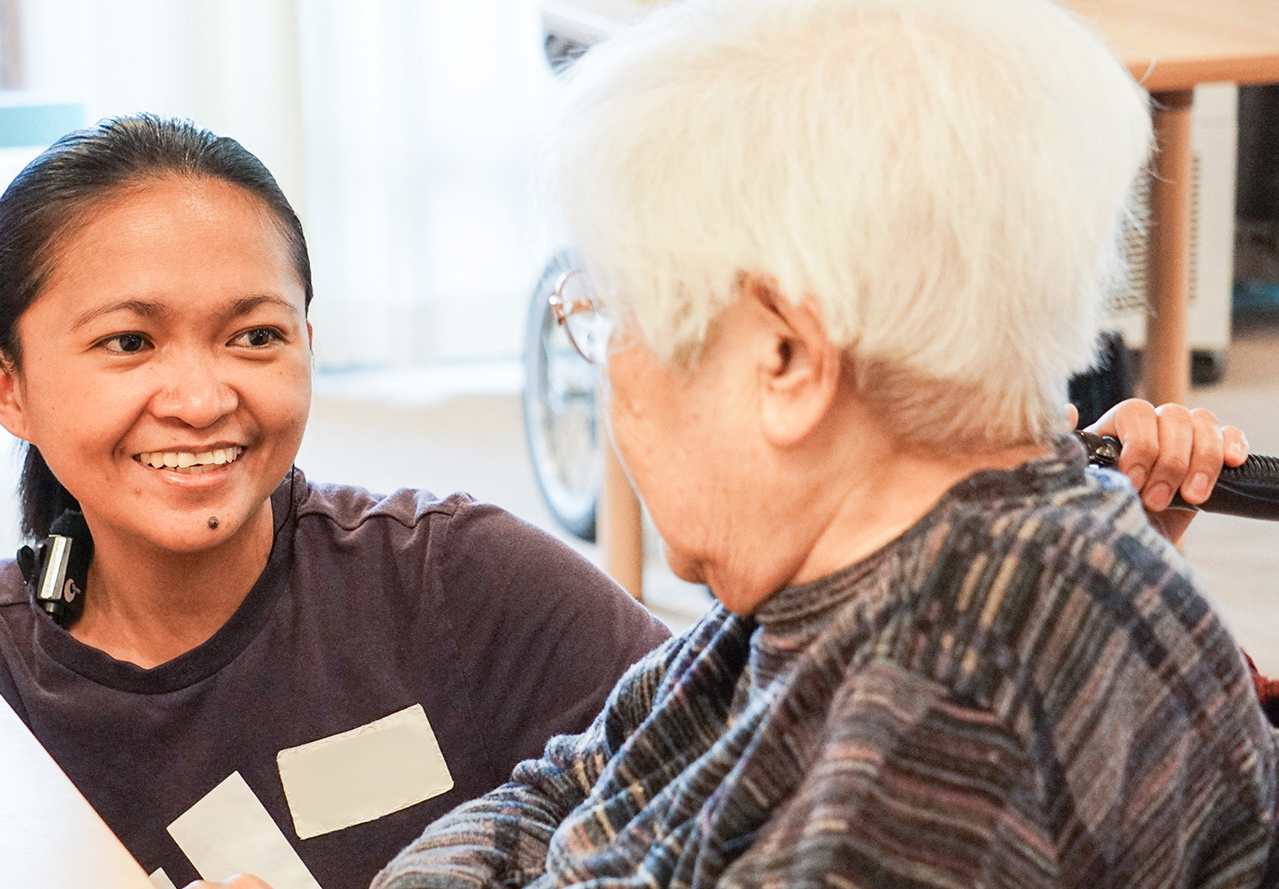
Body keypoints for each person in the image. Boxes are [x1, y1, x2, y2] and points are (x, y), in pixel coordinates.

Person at [367, 0, 1278, 886]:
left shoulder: (946, 724)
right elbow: (566, 786)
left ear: (787, 357)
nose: (611, 371)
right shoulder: (846, 555)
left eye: (618, 314)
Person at [0, 114, 673, 889]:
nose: (200, 400)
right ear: (7, 386)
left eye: (256, 336)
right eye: (130, 342)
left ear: (308, 342)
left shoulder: (462, 580)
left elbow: (742, 789)